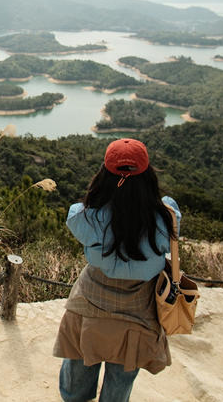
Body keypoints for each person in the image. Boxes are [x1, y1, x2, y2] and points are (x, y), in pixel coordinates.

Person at [53, 138, 181, 402]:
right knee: (121, 378)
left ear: (104, 174)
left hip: (90, 304)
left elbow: (80, 210)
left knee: (78, 371)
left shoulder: (83, 217)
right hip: (139, 311)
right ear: (147, 175)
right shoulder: (167, 216)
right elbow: (167, 211)